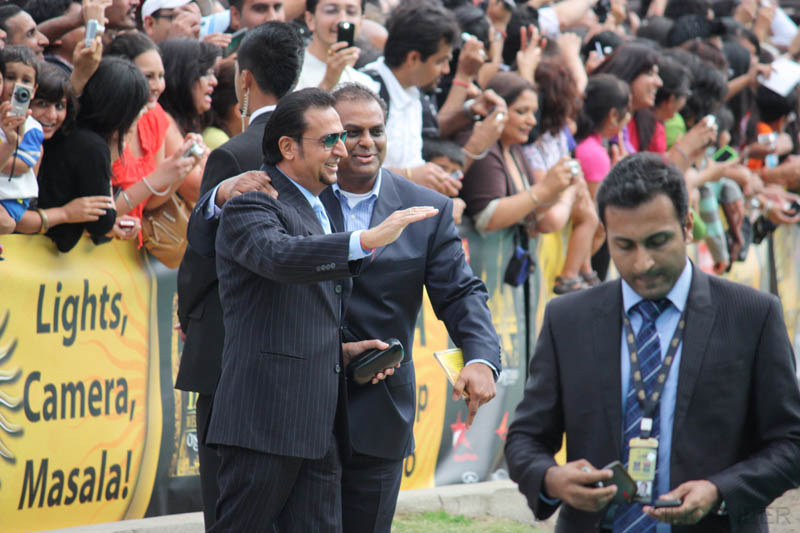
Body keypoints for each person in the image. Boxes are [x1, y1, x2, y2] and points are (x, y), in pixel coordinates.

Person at [505, 152, 800, 532]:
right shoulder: (568, 319)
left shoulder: (752, 316)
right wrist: (551, 479)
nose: (642, 263)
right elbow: (525, 438)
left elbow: (791, 444)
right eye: (624, 246)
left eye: (657, 242)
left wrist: (719, 491)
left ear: (687, 225)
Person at [206, 87, 438, 531]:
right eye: (330, 139)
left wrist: (339, 353)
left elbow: (299, 310)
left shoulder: (318, 207)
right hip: (263, 423)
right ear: (288, 147)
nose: (343, 150)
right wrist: (366, 240)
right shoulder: (252, 202)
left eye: (341, 138)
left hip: (318, 427)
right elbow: (279, 257)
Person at [175, 21, 304, 530]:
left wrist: (190, 313)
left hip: (231, 346)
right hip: (304, 349)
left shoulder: (235, 153)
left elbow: (204, 253)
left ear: (244, 80)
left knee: (229, 501)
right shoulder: (319, 146)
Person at [37, 56, 148, 251]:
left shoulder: (65, 126)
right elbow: (101, 222)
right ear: (124, 113)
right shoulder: (93, 148)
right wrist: (112, 156)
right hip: (37, 249)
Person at [362, 2, 462, 197]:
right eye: (440, 61)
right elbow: (346, 171)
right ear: (413, 58)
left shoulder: (414, 94)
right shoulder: (365, 91)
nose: (446, 70)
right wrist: (409, 176)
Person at [294, 0, 379, 92]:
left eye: (351, 12)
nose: (342, 20)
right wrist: (328, 83)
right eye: (331, 10)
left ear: (361, 21)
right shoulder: (292, 69)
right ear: (310, 19)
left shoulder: (366, 83)